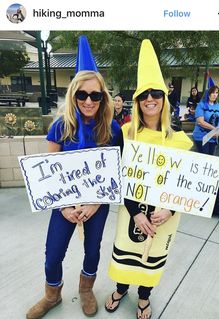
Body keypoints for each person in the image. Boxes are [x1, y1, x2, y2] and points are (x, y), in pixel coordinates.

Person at [26, 36, 121, 319]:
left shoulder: (112, 129)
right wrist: (64, 206)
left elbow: (114, 173)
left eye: (95, 95)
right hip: (63, 205)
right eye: (82, 94)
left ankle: (86, 290)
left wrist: (95, 203)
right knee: (53, 253)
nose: (89, 100)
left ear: (103, 97)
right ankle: (51, 295)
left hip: (97, 204)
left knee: (92, 250)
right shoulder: (60, 127)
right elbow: (49, 174)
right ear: (73, 96)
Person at [105, 39, 193, 319]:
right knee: (127, 250)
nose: (150, 99)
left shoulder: (179, 139)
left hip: (164, 213)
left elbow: (188, 184)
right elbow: (119, 175)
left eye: (156, 93)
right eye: (144, 94)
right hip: (132, 209)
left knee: (151, 257)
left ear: (164, 98)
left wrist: (171, 209)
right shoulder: (126, 132)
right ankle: (121, 289)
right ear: (137, 100)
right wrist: (134, 213)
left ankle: (143, 298)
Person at [192, 85, 219, 155]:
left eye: (216, 92)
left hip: (213, 138)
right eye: (213, 92)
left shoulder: (218, 106)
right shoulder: (201, 105)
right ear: (208, 93)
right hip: (202, 136)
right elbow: (200, 122)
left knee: (211, 158)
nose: (215, 95)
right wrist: (215, 129)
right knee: (205, 158)